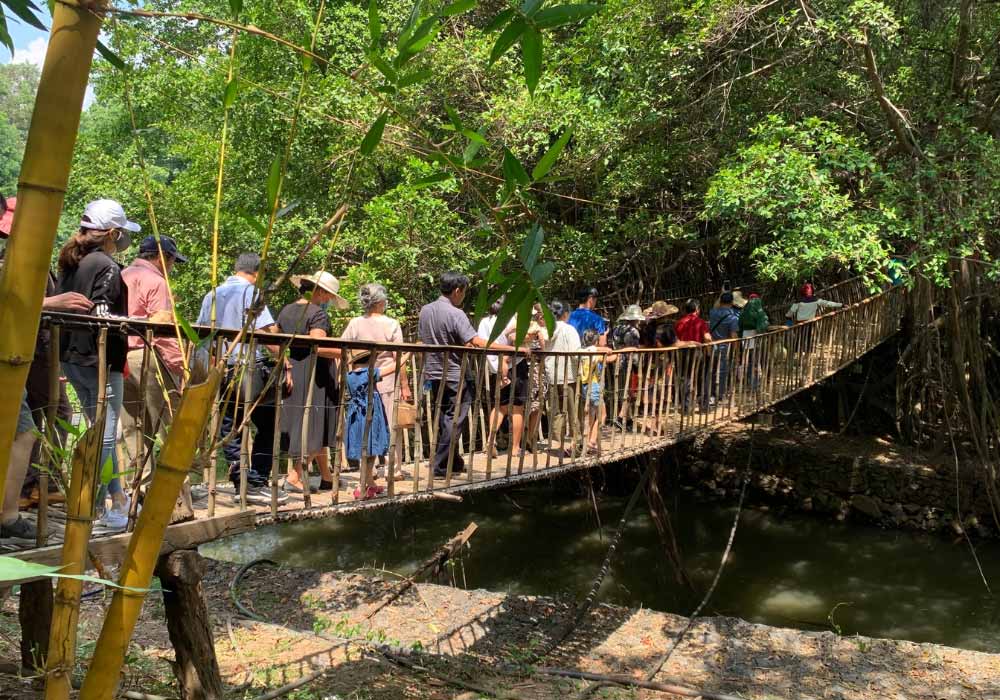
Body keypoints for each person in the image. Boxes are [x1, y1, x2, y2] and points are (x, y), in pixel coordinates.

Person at [0, 195, 92, 538]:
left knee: (39, 422)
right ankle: (31, 490)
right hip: (24, 353)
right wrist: (54, 304)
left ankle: (28, 492)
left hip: (27, 353)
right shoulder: (15, 258)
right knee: (43, 419)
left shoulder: (32, 259)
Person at [56, 199, 138, 529]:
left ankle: (117, 501)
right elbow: (101, 313)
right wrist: (129, 323)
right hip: (99, 358)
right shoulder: (107, 266)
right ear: (113, 233)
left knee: (97, 425)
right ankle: (92, 503)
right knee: (107, 431)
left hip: (71, 356)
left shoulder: (71, 262)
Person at [197, 253, 293, 506]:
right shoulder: (251, 293)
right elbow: (268, 333)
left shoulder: (212, 295)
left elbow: (201, 336)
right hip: (248, 367)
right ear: (256, 273)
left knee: (231, 425)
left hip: (222, 367)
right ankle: (256, 482)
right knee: (268, 423)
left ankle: (242, 482)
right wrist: (284, 362)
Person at [418, 271, 520, 478]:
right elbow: (474, 341)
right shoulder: (456, 313)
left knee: (445, 418)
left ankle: (453, 463)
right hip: (455, 374)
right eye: (463, 291)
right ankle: (439, 466)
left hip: (434, 372)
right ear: (457, 291)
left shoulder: (425, 310)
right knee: (455, 419)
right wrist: (506, 349)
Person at [119, 235, 187, 478]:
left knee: (133, 425)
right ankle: (177, 489)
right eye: (171, 261)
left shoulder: (122, 274)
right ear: (162, 258)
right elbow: (162, 329)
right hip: (148, 356)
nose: (171, 268)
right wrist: (179, 365)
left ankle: (140, 483)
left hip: (121, 355)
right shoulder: (157, 282)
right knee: (170, 422)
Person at [276, 271, 349, 496]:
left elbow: (276, 341)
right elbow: (317, 344)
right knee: (313, 423)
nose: (328, 300)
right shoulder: (317, 314)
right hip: (315, 376)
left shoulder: (286, 311)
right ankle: (295, 475)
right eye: (327, 295)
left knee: (311, 422)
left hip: (296, 371)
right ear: (318, 291)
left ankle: (326, 476)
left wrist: (286, 363)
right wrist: (344, 351)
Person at [340, 283, 411, 493]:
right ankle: (393, 468)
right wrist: (405, 385)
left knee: (366, 428)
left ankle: (366, 470)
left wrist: (348, 373)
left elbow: (343, 348)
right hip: (386, 381)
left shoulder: (354, 323)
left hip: (361, 384)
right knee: (390, 426)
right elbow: (399, 356)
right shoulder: (391, 324)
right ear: (380, 301)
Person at [497, 303, 548, 455]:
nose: (534, 316)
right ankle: (519, 441)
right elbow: (511, 337)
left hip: (537, 366)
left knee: (538, 403)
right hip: (524, 366)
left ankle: (530, 438)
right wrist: (531, 335)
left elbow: (543, 343)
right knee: (524, 404)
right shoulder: (516, 323)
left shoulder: (536, 326)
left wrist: (535, 334)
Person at [543, 301, 581, 453]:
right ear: (565, 314)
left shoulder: (546, 330)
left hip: (552, 375)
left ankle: (559, 444)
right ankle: (574, 444)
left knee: (556, 411)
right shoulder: (569, 329)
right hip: (568, 376)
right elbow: (575, 352)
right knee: (573, 410)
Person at [579, 329, 617, 454]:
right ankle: (592, 441)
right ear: (595, 341)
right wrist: (618, 353)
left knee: (591, 415)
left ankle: (587, 440)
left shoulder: (582, 353)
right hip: (594, 386)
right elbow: (609, 359)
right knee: (602, 415)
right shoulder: (593, 353)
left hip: (585, 387)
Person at [477, 296, 506, 456]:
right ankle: (513, 446)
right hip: (508, 364)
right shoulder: (506, 321)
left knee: (499, 404)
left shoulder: (484, 322)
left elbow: (480, 341)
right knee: (513, 406)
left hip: (492, 367)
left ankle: (491, 440)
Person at [610, 304, 644, 430]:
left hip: (617, 361)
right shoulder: (633, 331)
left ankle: (627, 419)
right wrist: (637, 367)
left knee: (623, 390)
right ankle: (620, 417)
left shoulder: (617, 328)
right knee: (629, 391)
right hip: (628, 363)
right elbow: (633, 351)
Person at [674, 298, 712, 413]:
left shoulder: (679, 323)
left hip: (682, 353)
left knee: (685, 378)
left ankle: (685, 407)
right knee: (702, 377)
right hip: (698, 352)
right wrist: (708, 351)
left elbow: (676, 339)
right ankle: (704, 406)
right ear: (697, 309)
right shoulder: (701, 322)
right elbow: (707, 338)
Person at [787, 283, 843, 353]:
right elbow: (827, 303)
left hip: (800, 323)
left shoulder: (798, 301)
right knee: (808, 336)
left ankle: (796, 351)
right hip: (810, 322)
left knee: (799, 337)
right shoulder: (815, 300)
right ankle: (807, 351)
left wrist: (788, 317)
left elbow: (791, 311)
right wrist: (841, 305)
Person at [708, 292, 741, 402]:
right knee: (722, 372)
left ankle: (711, 394)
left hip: (712, 345)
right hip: (724, 347)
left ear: (720, 301)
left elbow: (716, 305)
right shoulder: (733, 318)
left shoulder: (712, 313)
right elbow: (734, 335)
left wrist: (721, 293)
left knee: (712, 370)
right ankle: (721, 395)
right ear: (732, 303)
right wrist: (737, 352)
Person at [739, 293, 769, 391]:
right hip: (754, 336)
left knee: (747, 360)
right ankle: (755, 384)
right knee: (755, 360)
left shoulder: (744, 311)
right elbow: (762, 323)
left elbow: (739, 325)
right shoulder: (758, 309)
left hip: (745, 337)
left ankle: (748, 382)